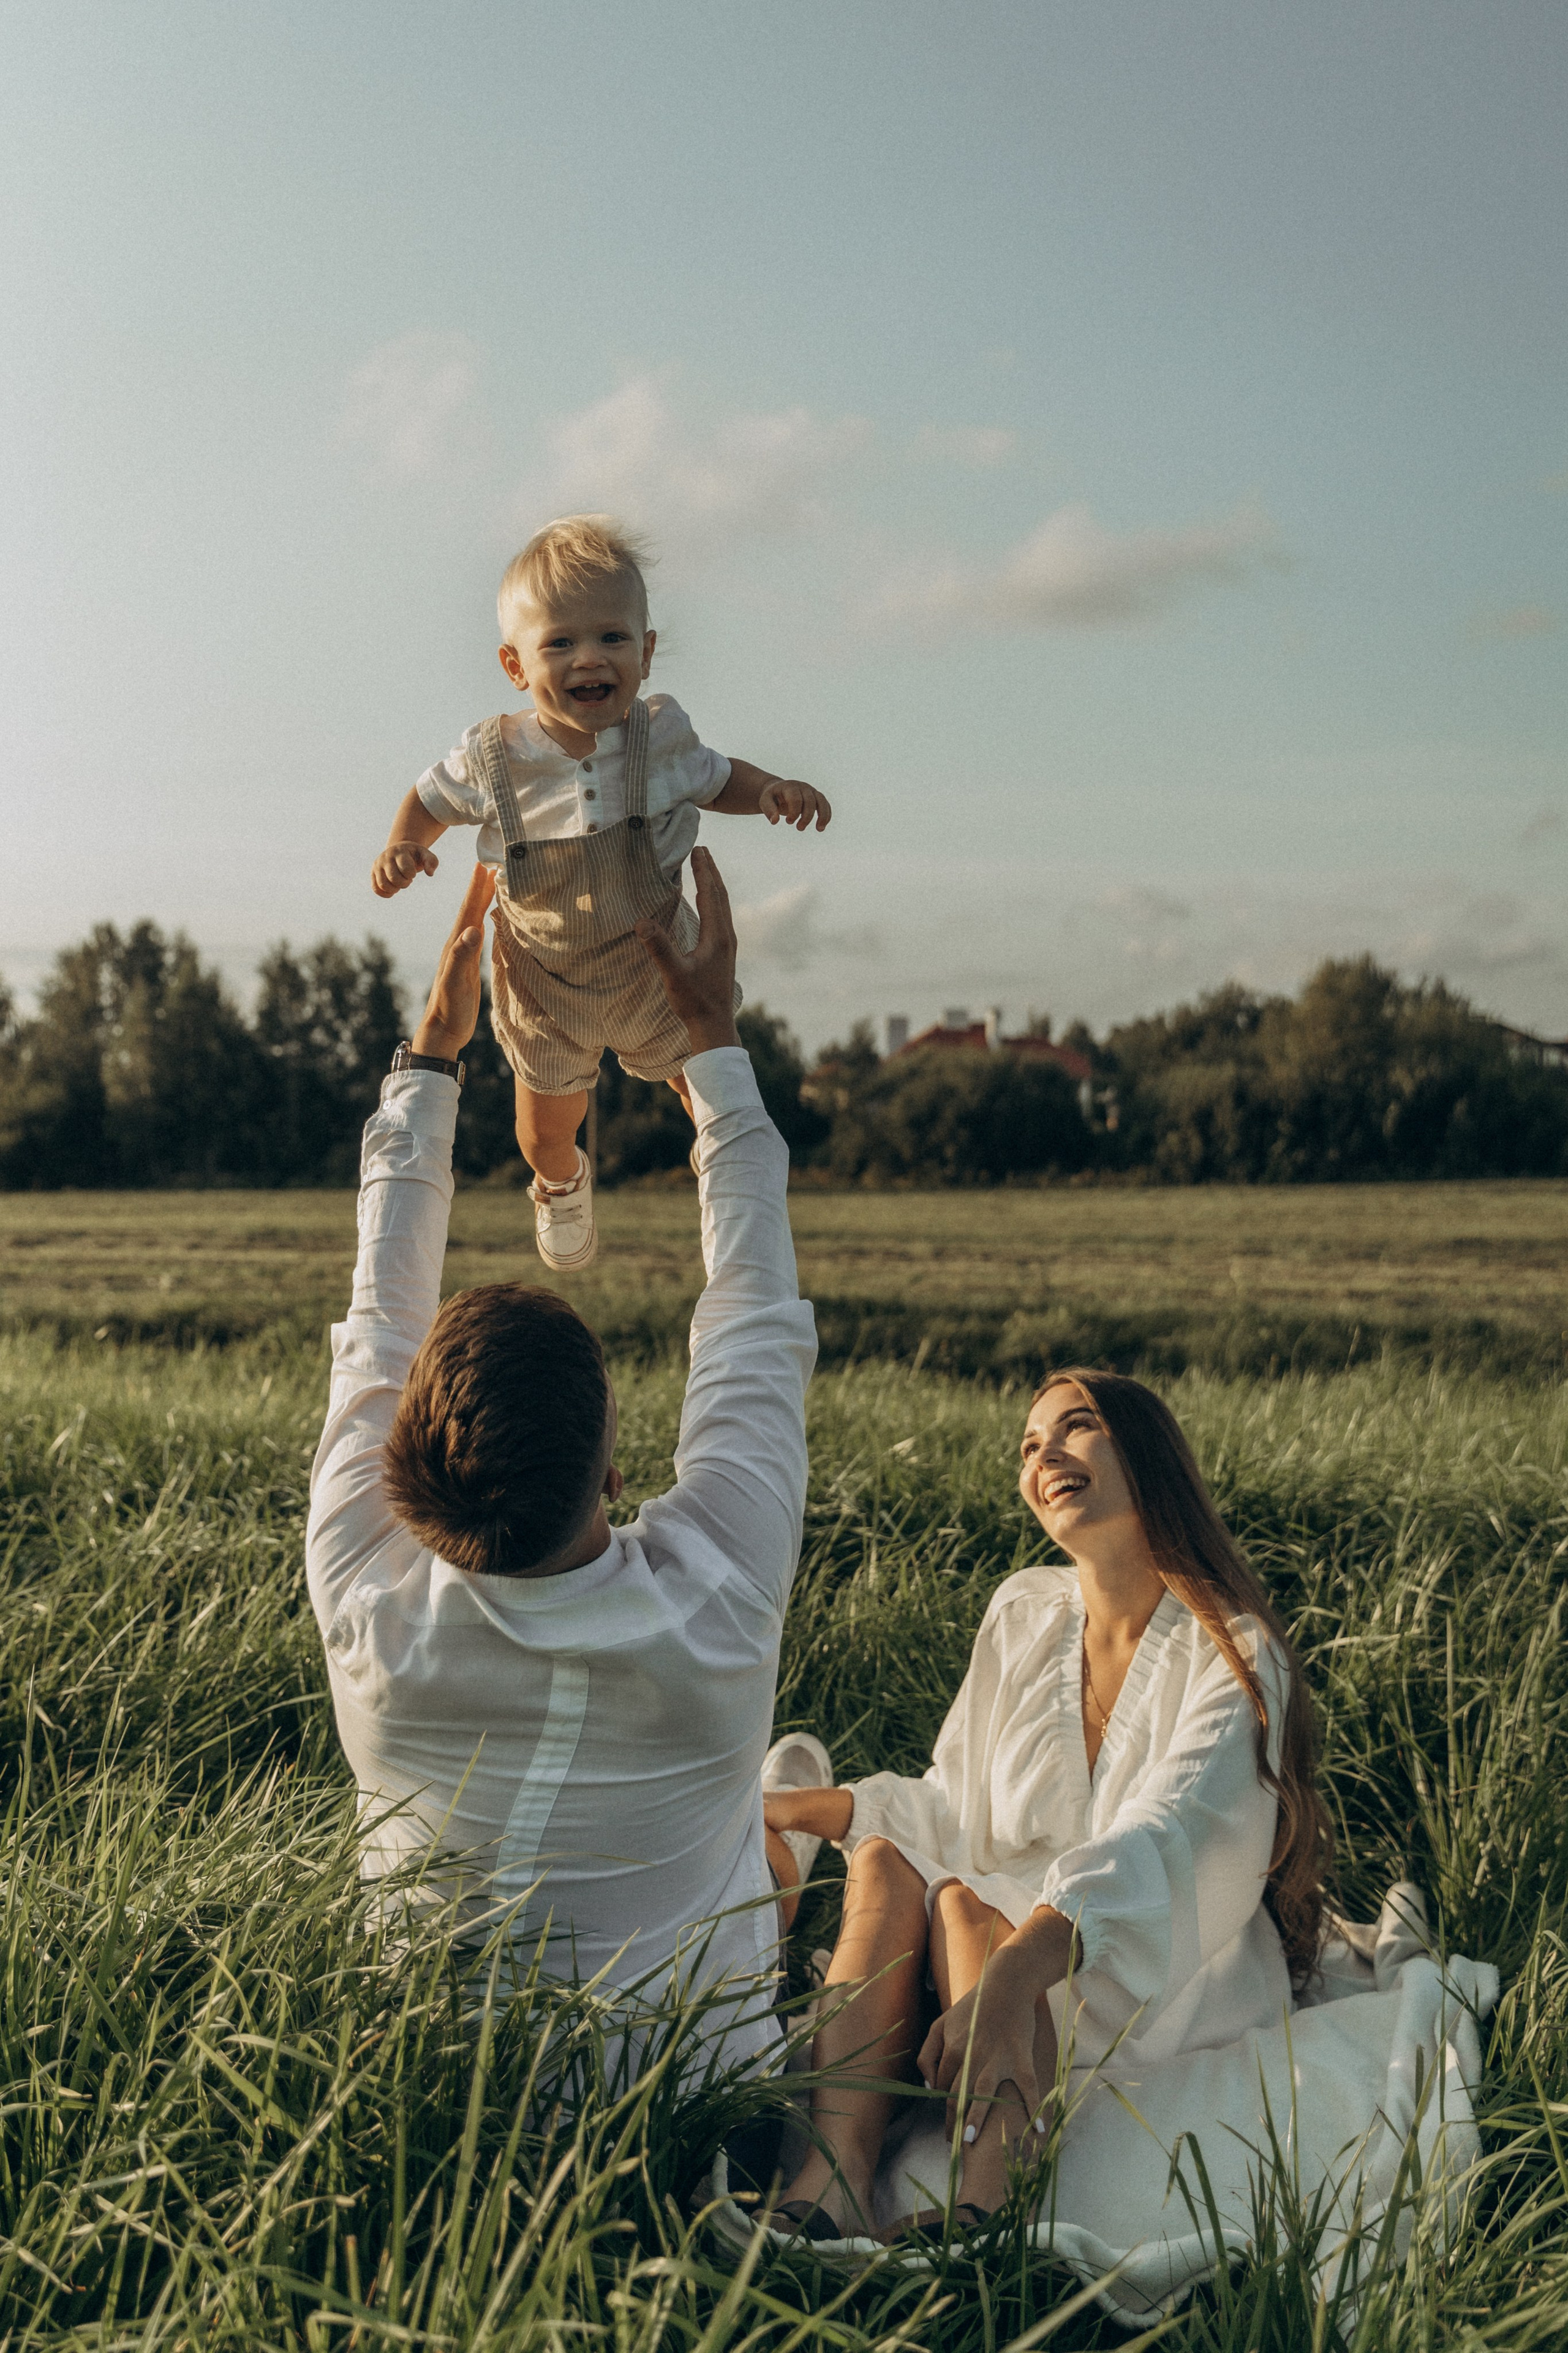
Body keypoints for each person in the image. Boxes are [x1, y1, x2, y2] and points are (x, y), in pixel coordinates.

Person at [762, 1370, 1496, 2286]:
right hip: (994, 1936)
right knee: (884, 1858)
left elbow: (1179, 1831)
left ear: (1146, 1455)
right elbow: (953, 1803)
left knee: (965, 1912)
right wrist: (815, 1809)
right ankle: (832, 2178)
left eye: (1077, 1428)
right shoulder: (1024, 1611)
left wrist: (1024, 1960)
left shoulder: (1233, 1648)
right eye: (1030, 1446)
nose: (1046, 1457)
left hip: (1154, 1967)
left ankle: (983, 2212)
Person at [306, 849, 818, 2069]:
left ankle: (779, 1826)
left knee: (752, 1823)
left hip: (425, 2087)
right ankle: (787, 1830)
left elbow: (380, 1318)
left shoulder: (363, 1597)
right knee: (771, 1830)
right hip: (692, 2099)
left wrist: (431, 1058)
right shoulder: (720, 1598)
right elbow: (749, 1311)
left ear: (406, 1468)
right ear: (611, 1472)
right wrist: (710, 1047)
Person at [369, 515, 832, 1272]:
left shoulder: (664, 740)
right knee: (543, 1131)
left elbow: (722, 779)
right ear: (515, 665)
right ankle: (562, 1182)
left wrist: (773, 789)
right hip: (545, 985)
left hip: (659, 972)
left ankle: (727, 1185)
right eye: (559, 643)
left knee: (709, 1092)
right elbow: (427, 800)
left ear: (646, 652)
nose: (590, 658)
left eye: (612, 638)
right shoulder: (493, 756)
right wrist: (404, 845)